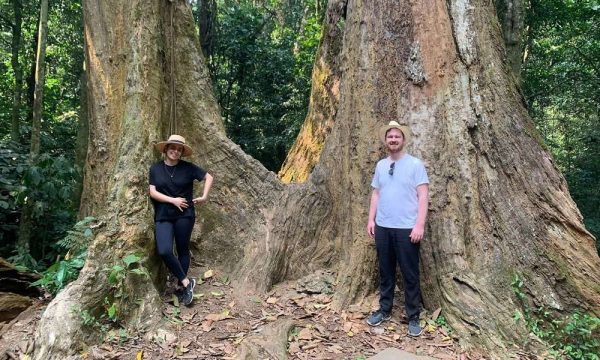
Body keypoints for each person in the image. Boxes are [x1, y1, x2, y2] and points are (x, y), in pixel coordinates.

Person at [366, 121, 429, 337]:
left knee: (410, 273)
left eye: (397, 136)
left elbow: (423, 195)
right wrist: (371, 220)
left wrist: (419, 224)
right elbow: (376, 193)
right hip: (383, 227)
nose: (393, 139)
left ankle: (413, 317)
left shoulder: (415, 164)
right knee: (386, 271)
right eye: (390, 137)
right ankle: (384, 310)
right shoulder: (381, 165)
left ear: (403, 140)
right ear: (386, 140)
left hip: (406, 228)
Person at [149, 134, 213, 306]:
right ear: (166, 149)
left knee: (183, 249)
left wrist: (204, 196)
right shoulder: (156, 169)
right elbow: (153, 192)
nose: (175, 152)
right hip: (163, 215)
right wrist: (173, 200)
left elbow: (209, 177)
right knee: (164, 250)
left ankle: (182, 288)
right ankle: (186, 281)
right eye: (173, 148)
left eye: (179, 150)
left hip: (185, 215)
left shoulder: (188, 168)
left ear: (182, 152)